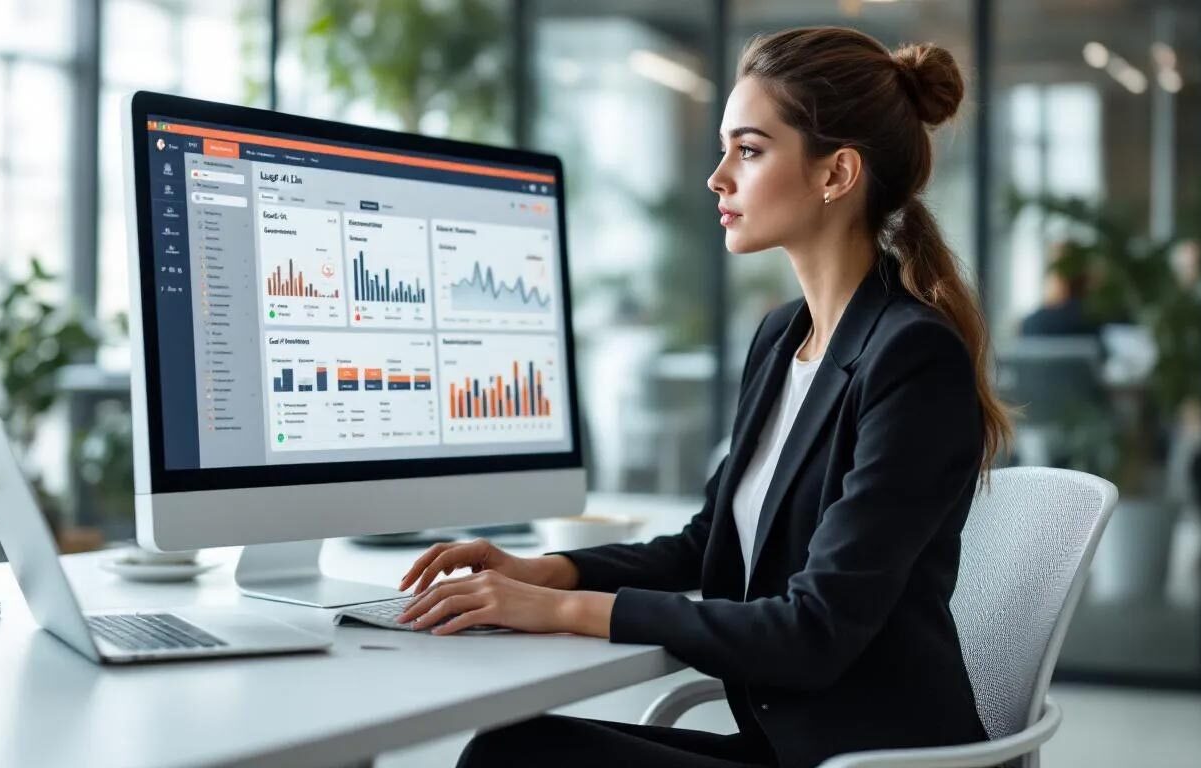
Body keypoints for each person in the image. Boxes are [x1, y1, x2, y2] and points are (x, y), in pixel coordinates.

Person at [394, 26, 1012, 768]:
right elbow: (705, 543)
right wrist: (551, 572)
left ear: (836, 173)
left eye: (749, 150)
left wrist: (563, 612)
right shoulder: (785, 337)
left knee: (514, 759)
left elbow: (812, 632)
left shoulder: (912, 358)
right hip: (787, 744)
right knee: (515, 748)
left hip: (865, 758)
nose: (718, 177)